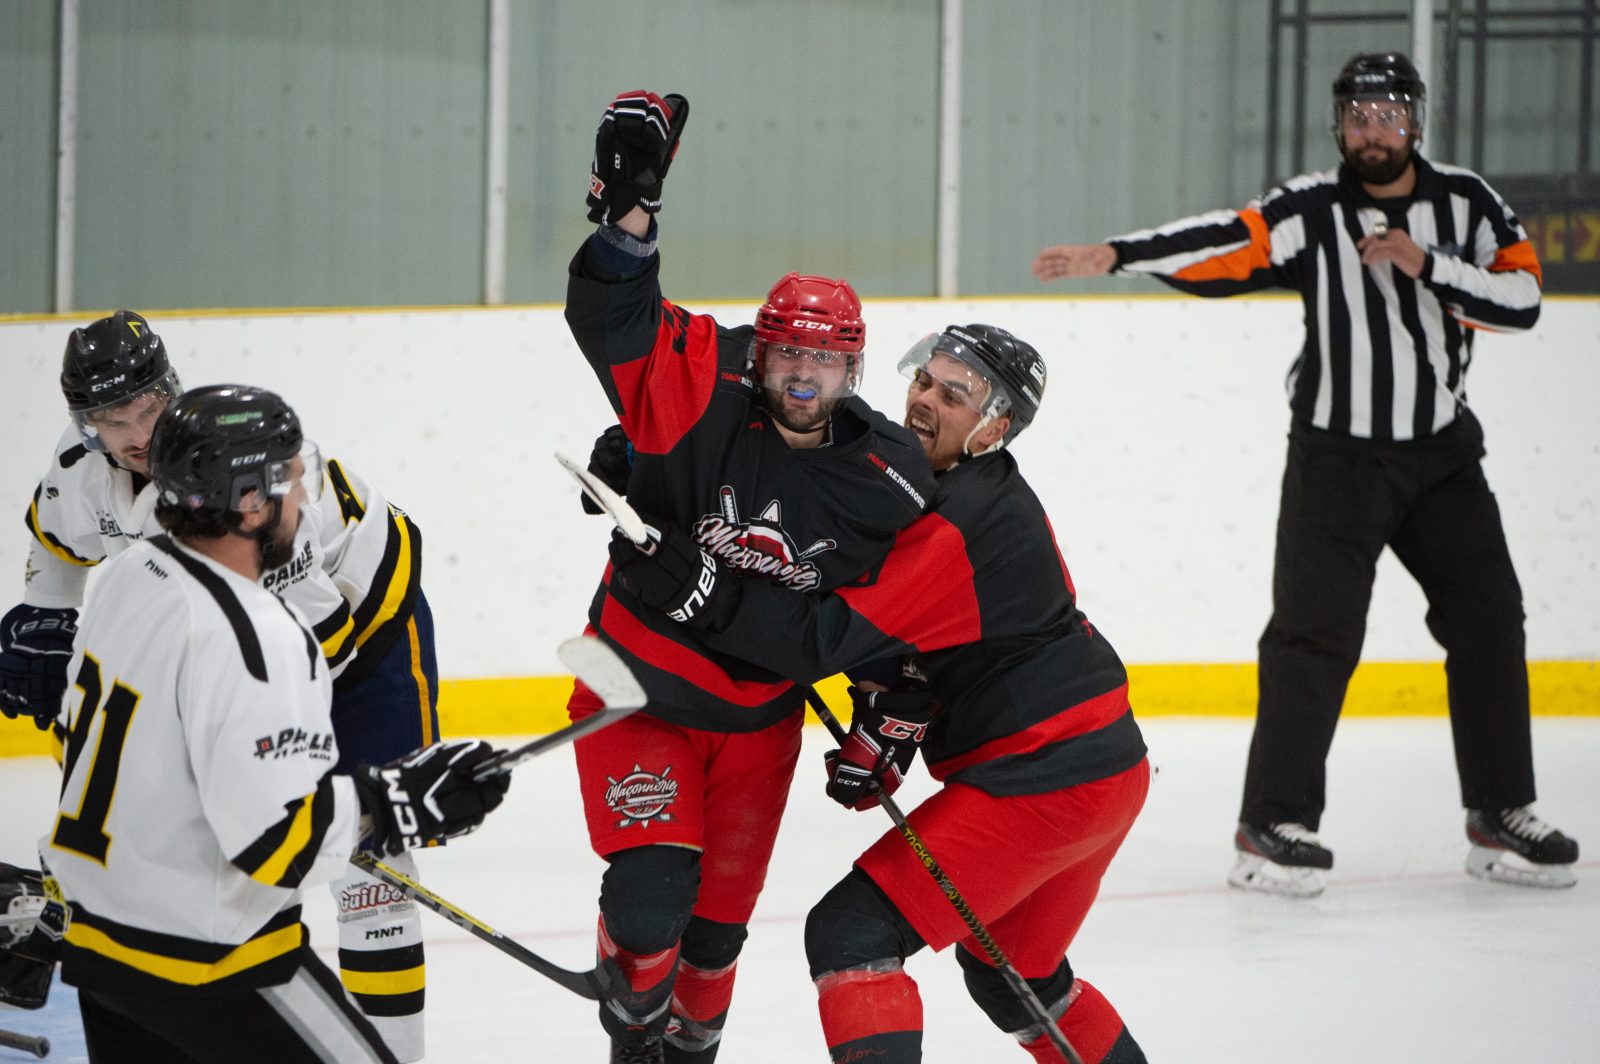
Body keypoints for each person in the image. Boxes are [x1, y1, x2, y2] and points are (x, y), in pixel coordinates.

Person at [1031, 51, 1578, 896]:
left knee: (1491, 620)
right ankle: (1272, 825)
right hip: (1336, 459)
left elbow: (1524, 299)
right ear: (1339, 125)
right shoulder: (1312, 207)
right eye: (1356, 117)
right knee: (1312, 638)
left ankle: (1499, 811)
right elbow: (1226, 242)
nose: (1371, 131)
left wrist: (1423, 262)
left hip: (1440, 456)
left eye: (1388, 115)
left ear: (1416, 122)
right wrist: (1117, 253)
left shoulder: (1465, 202)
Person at [609, 325, 1149, 1064]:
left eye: (953, 396)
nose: (924, 399)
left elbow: (817, 638)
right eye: (925, 380)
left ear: (994, 429)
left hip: (1048, 774)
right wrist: (660, 472)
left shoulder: (963, 520)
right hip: (1103, 766)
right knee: (1017, 977)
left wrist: (699, 593)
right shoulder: (946, 487)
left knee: (851, 933)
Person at [567, 90, 937, 1063]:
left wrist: (888, 717)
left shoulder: (889, 479)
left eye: (823, 359)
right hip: (634, 689)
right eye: (786, 355)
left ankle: (678, 1046)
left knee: (714, 942)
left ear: (853, 368)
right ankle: (630, 1028)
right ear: (757, 351)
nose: (802, 376)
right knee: (649, 905)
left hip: (756, 723)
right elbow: (612, 315)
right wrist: (630, 216)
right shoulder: (706, 381)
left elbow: (896, 618)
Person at [0, 311, 442, 1057]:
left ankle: (398, 1051)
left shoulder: (253, 481)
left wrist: (350, 808)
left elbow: (308, 657)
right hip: (251, 638)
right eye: (115, 418)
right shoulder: (81, 479)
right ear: (86, 427)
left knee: (373, 873)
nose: (139, 432)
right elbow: (55, 546)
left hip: (361, 630)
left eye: (148, 407)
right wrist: (46, 615)